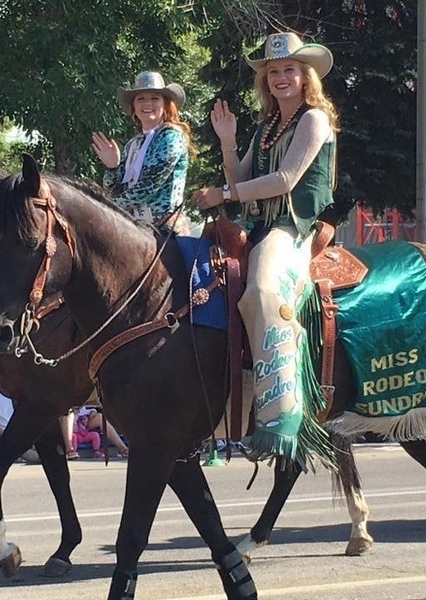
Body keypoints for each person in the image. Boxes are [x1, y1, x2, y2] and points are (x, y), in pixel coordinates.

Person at [192, 31, 338, 458]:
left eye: (288, 69)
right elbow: (240, 182)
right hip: (259, 227)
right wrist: (227, 141)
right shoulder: (268, 127)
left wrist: (224, 195)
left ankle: (282, 418)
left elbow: (286, 180)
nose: (280, 77)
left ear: (306, 75)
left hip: (294, 228)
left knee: (261, 290)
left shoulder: (314, 119)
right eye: (273, 71)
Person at [91, 70, 191, 224]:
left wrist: (107, 209)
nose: (147, 103)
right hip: (131, 223)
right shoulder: (133, 144)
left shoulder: (171, 136)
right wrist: (112, 167)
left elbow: (149, 185)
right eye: (141, 99)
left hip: (164, 226)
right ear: (134, 107)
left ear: (165, 105)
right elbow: (112, 190)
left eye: (154, 98)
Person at [0, 381, 39, 463]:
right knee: (13, 444)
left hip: (16, 432)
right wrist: (9, 435)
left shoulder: (21, 389)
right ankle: (36, 458)